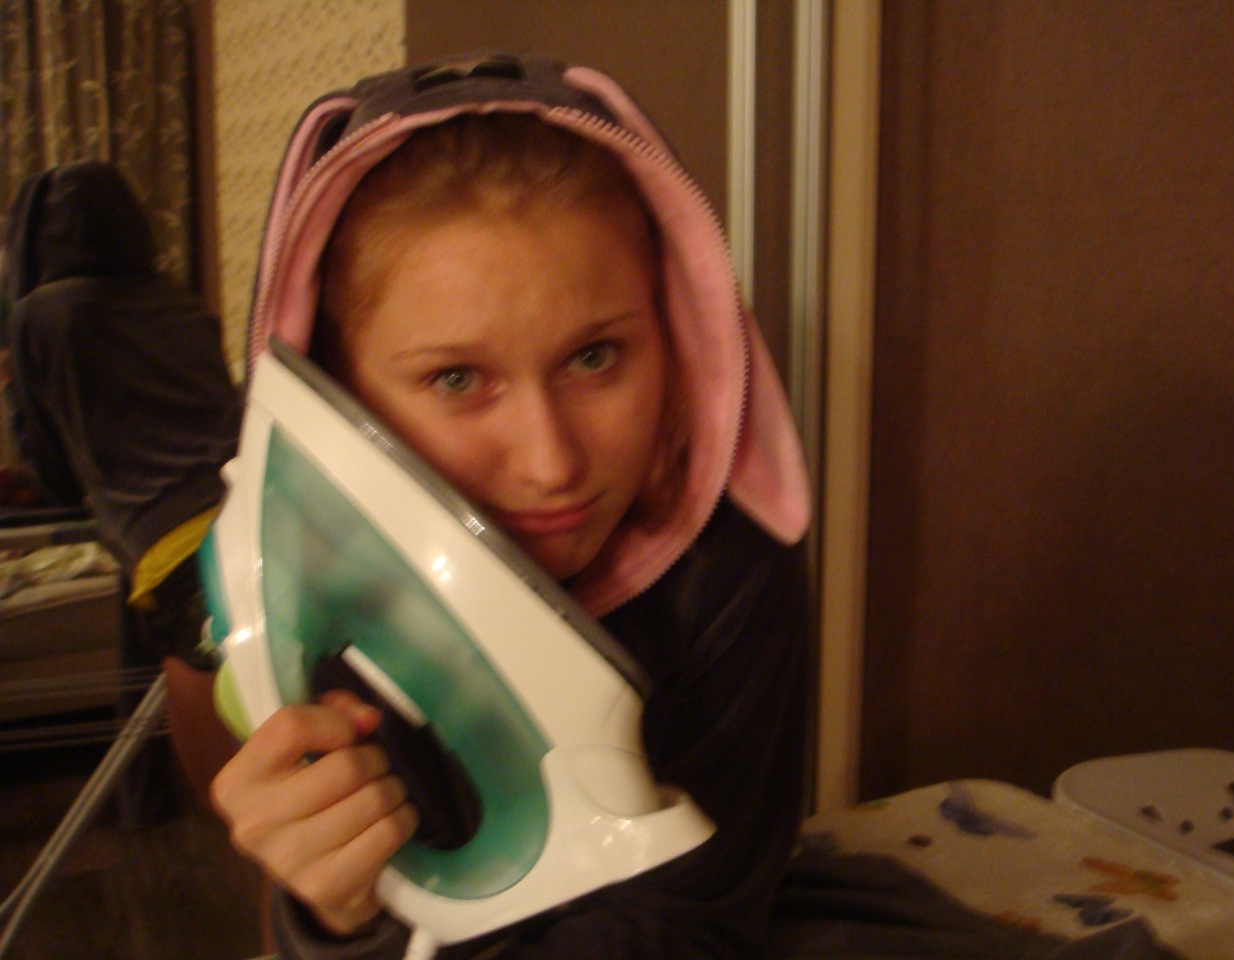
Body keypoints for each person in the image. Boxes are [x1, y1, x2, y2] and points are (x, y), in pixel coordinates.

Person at [210, 54, 812, 959]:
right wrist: (336, 911)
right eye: (457, 379)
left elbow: (709, 913)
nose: (551, 463)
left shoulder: (729, 566)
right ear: (335, 398)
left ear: (679, 337)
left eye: (595, 358)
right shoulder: (337, 608)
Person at [3, 161, 245, 812]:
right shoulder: (180, 302)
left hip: (169, 546)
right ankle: (144, 797)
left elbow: (53, 469)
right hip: (245, 508)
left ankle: (157, 811)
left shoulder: (41, 315)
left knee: (230, 784)